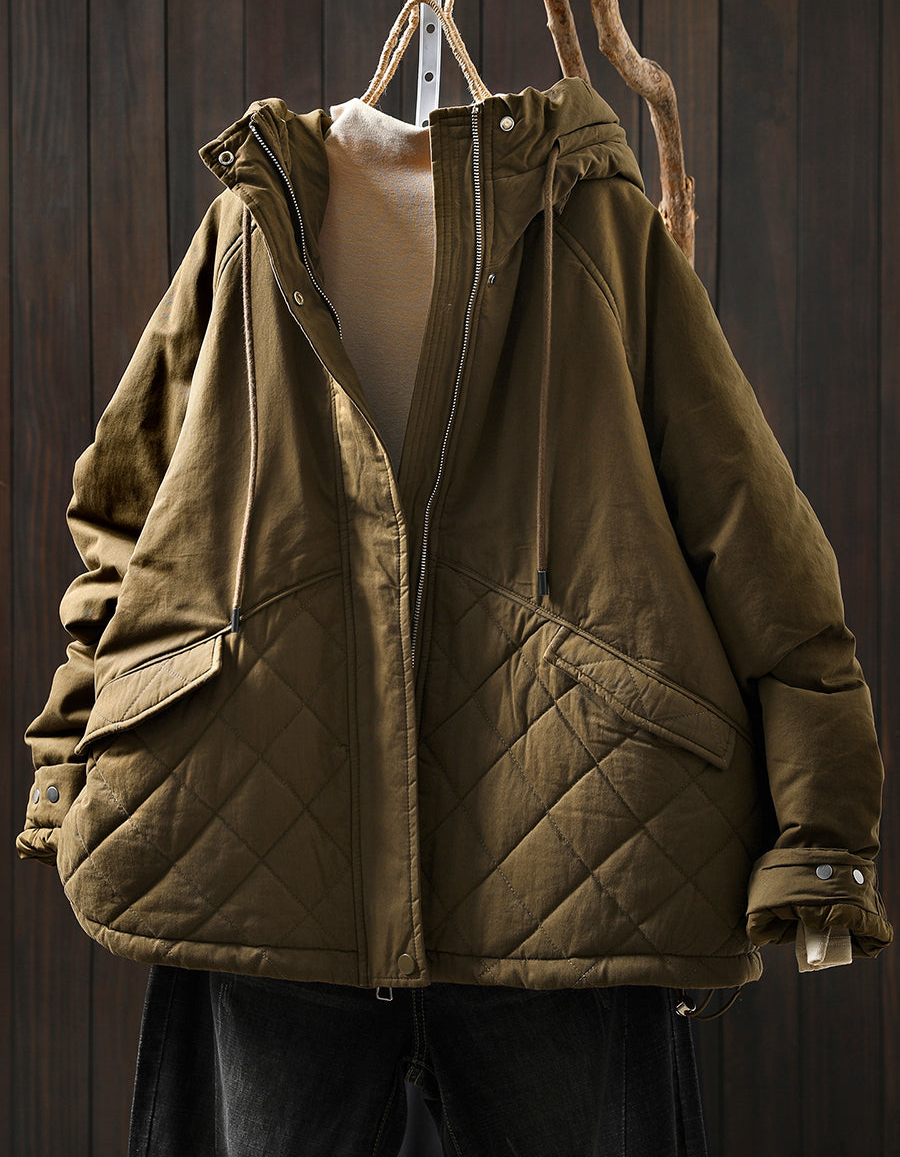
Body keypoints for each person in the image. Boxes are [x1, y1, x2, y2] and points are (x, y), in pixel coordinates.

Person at [17, 79, 892, 1155]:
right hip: (267, 848)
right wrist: (71, 748)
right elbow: (126, 509)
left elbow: (752, 525)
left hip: (570, 864)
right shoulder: (250, 220)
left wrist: (823, 826)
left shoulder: (594, 220)